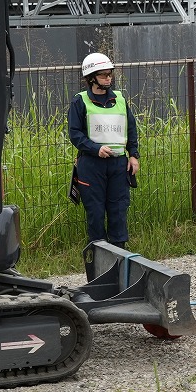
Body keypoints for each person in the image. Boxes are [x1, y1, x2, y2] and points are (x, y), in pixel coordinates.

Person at [68, 52, 140, 248]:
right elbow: (75, 134)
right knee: (96, 212)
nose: (108, 78)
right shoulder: (79, 102)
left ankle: (120, 257)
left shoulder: (120, 100)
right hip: (91, 165)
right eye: (103, 75)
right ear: (91, 78)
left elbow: (131, 128)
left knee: (118, 210)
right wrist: (95, 149)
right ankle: (99, 257)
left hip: (118, 165)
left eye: (110, 74)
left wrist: (133, 155)